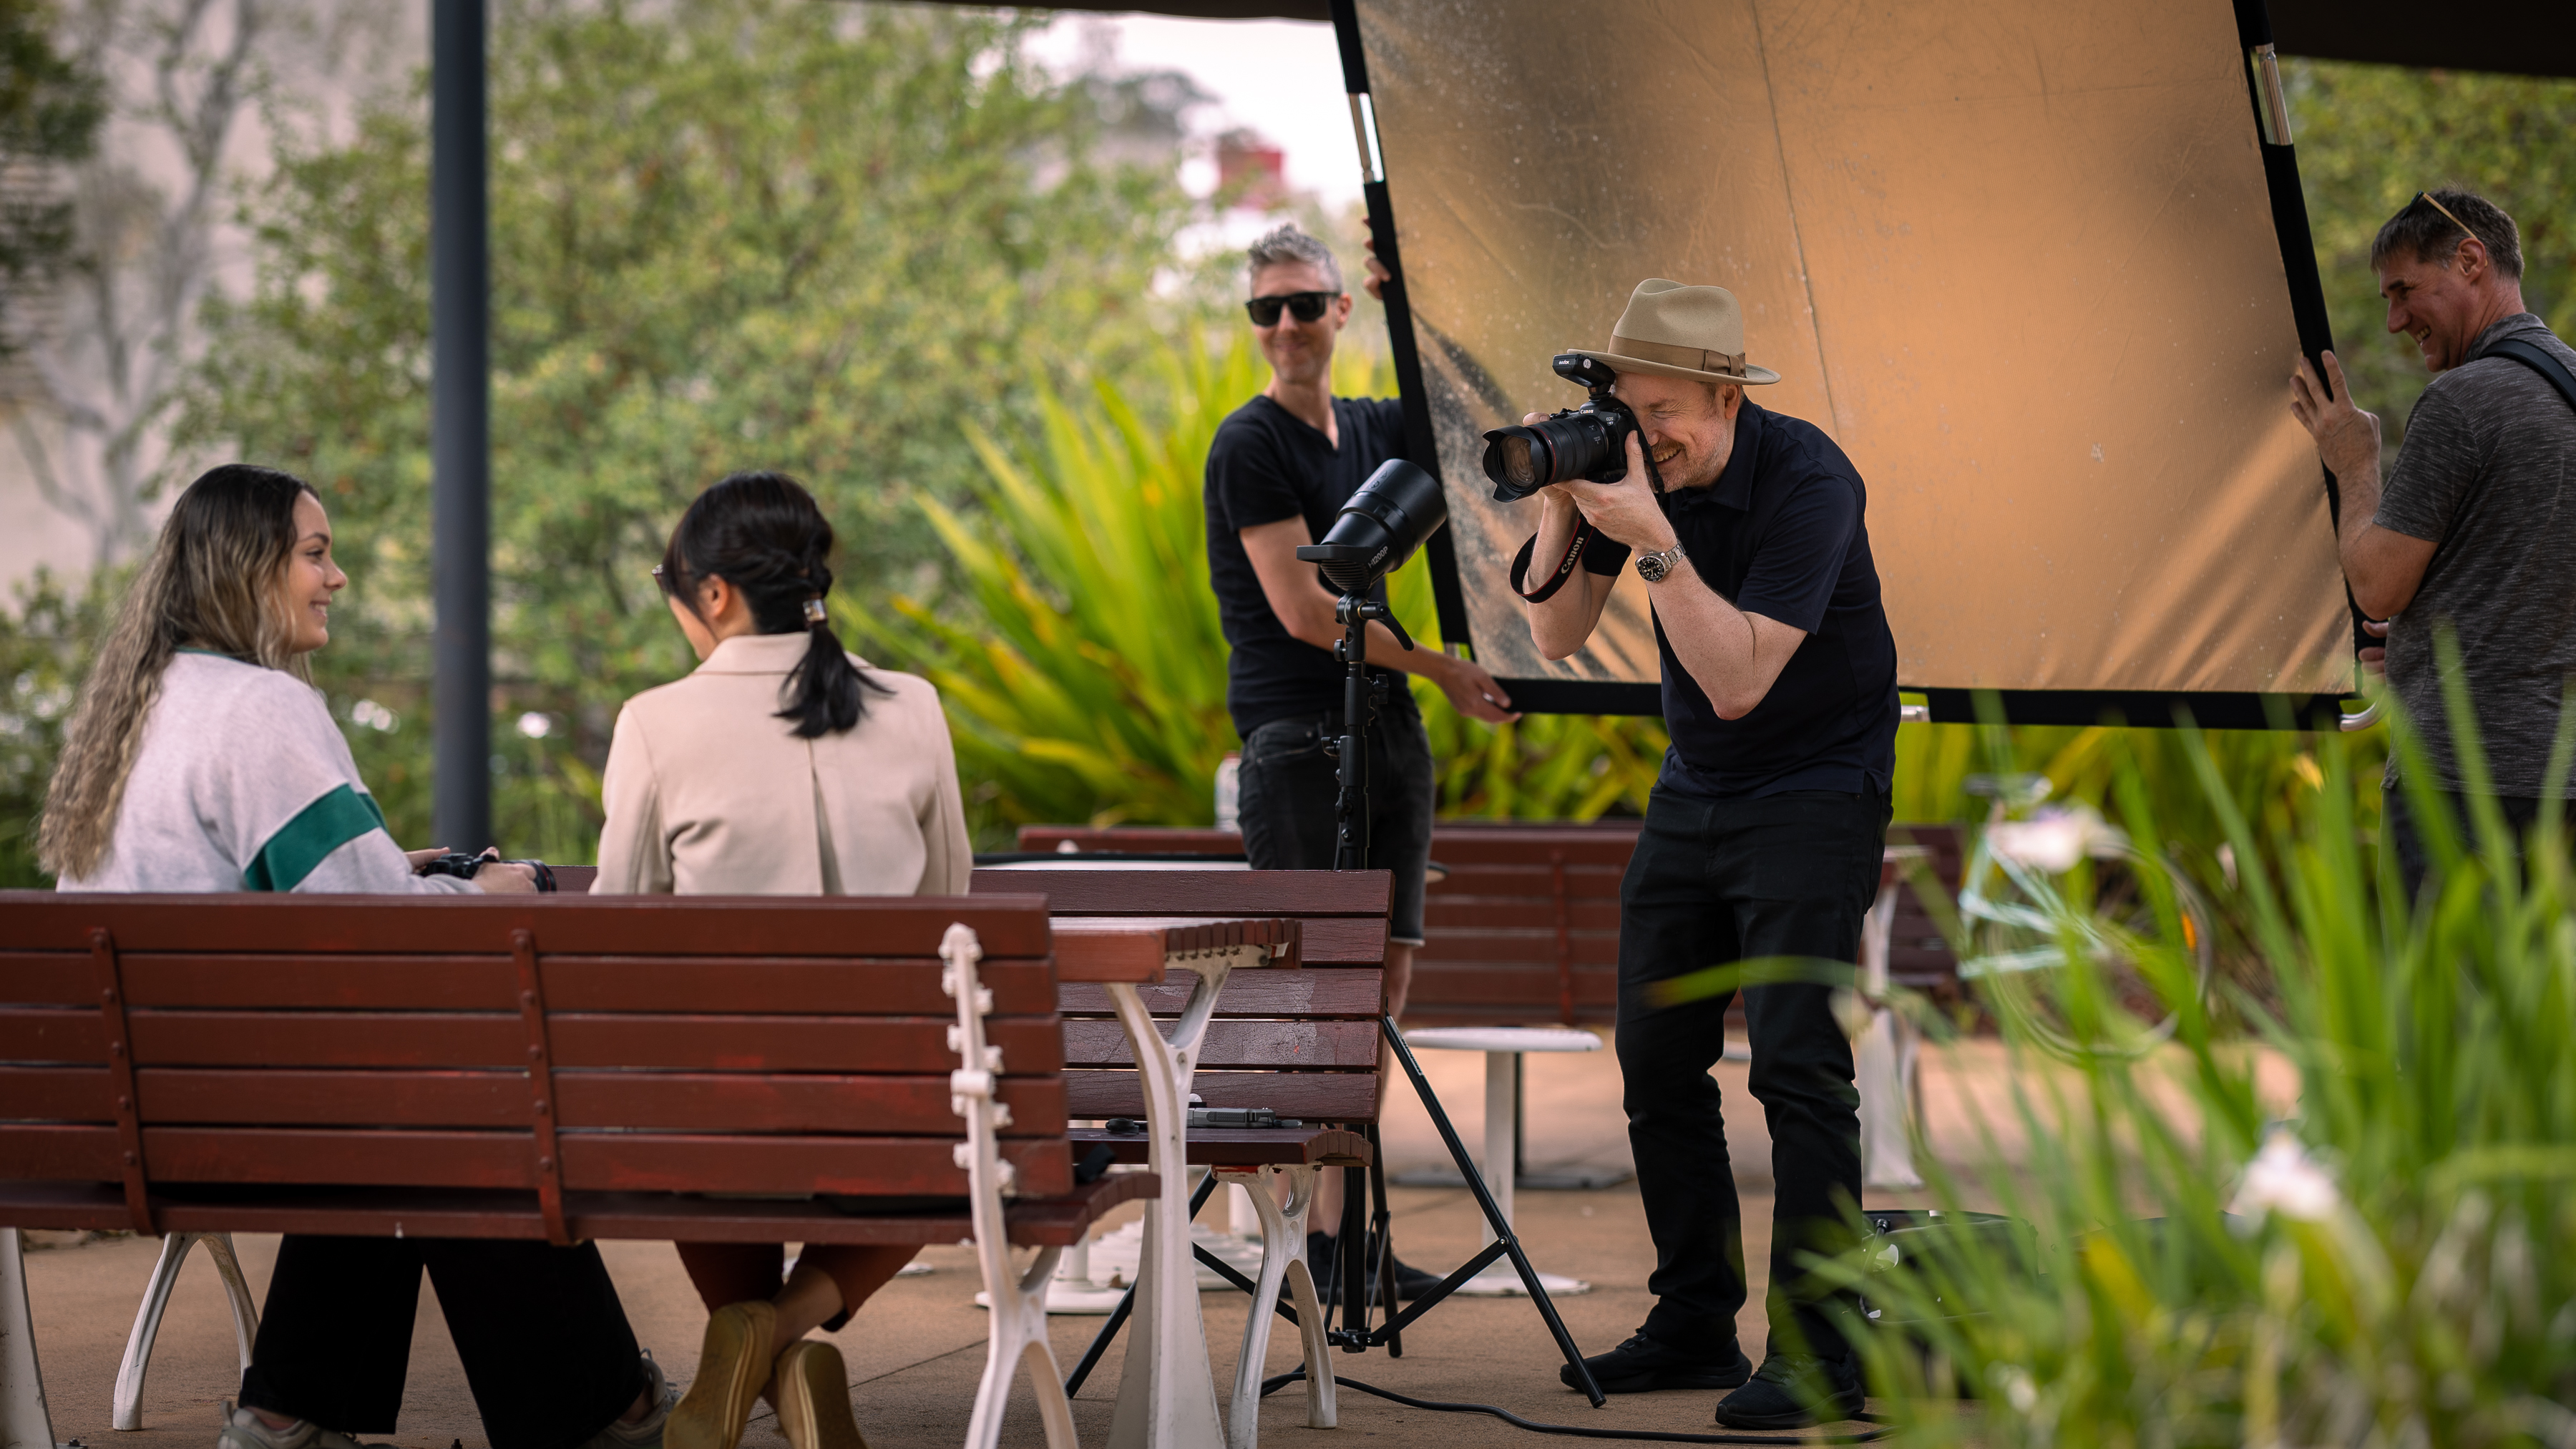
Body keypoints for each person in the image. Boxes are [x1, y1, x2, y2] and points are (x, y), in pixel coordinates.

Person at [39, 464, 668, 1449]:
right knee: (453, 1101)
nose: (336, 579)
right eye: (316, 554)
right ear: (248, 568)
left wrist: (396, 870)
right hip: (236, 1113)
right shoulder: (261, 707)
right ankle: (598, 1405)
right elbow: (380, 940)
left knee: (394, 1109)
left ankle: (290, 1406)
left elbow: (285, 896)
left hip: (130, 1109)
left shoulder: (132, 706)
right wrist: (490, 888)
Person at [1513, 281, 1897, 1428]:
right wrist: (1566, 502)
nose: (1650, 438)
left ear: (1728, 397)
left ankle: (1820, 1350)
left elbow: (1735, 682)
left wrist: (1656, 543)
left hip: (1816, 787)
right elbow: (1555, 633)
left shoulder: (1808, 480)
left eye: (1668, 413)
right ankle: (1692, 1318)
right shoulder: (1638, 480)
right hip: (1697, 790)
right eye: (1631, 413)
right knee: (1655, 1061)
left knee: (1795, 1067)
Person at [592, 471, 970, 1449]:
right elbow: (949, 910)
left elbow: (614, 937)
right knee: (970, 1147)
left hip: (713, 1121)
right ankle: (786, 1339)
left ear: (713, 594)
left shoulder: (654, 722)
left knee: (678, 1102)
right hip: (896, 1118)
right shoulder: (915, 706)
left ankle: (751, 1334)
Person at [1202, 223, 1518, 1294]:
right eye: (1266, 310)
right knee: (1313, 994)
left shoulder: (1375, 427)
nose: (1286, 325)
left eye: (1305, 303)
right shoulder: (1250, 444)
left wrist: (1411, 303)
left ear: (1339, 311)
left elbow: (1474, 418)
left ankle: (1348, 1247)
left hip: (1386, 730)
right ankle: (1309, 1242)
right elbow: (1301, 610)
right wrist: (1439, 665)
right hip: (1299, 740)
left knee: (1380, 988)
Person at [2288, 188, 2576, 899]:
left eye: (2404, 290)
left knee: (2437, 1011)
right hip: (2563, 786)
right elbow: (2527, 578)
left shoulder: (2464, 401)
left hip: (2464, 791)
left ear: (2471, 260)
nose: (2392, 322)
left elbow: (2379, 586)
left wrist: (2355, 462)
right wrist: (2424, 637)